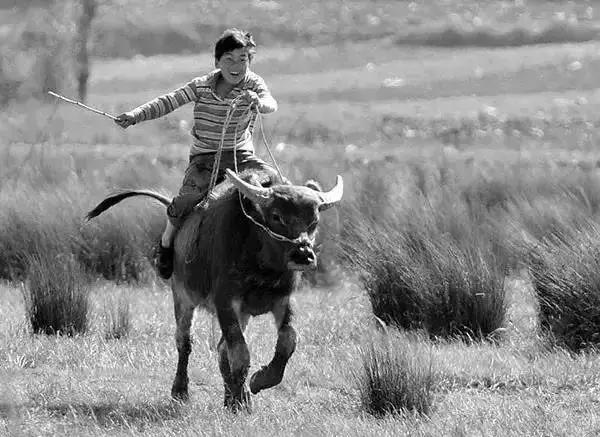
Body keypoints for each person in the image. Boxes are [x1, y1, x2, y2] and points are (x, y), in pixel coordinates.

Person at [114, 28, 278, 279]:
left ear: (250, 61)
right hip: (205, 160)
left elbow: (270, 103)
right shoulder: (201, 86)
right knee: (185, 201)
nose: (237, 66)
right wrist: (134, 116)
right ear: (217, 62)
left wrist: (258, 101)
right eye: (229, 60)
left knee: (275, 185)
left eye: (243, 59)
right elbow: (168, 101)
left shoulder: (254, 84)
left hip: (241, 157)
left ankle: (280, 250)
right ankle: (166, 245)